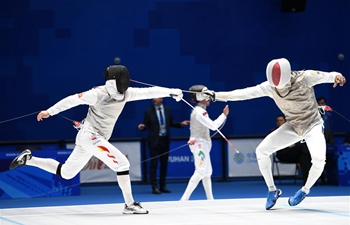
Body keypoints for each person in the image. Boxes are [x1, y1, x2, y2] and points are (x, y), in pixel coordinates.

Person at [9, 65, 184, 214]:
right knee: (122, 164)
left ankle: (29, 159)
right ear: (115, 80)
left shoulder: (126, 94)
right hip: (90, 136)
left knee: (67, 173)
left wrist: (171, 92)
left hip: (90, 139)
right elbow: (72, 100)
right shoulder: (97, 93)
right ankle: (129, 204)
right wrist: (50, 111)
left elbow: (150, 91)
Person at [202, 58, 346, 209]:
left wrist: (338, 76)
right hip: (292, 125)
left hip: (313, 125)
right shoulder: (269, 87)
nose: (280, 89)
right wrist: (215, 95)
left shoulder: (306, 77)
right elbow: (243, 94)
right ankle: (272, 190)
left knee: (318, 159)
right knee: (261, 151)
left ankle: (304, 190)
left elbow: (330, 75)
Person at [180, 85, 228, 201]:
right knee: (201, 171)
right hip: (199, 144)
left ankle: (210, 199)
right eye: (206, 96)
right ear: (199, 97)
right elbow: (213, 126)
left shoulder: (200, 111)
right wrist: (224, 115)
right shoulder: (199, 112)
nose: (208, 98)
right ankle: (183, 199)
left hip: (202, 143)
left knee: (207, 172)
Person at [138, 98, 190, 194]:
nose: (154, 99)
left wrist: (180, 124)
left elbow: (170, 123)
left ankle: (163, 186)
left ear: (161, 99)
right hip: (154, 141)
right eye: (153, 98)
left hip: (165, 140)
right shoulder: (148, 111)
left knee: (164, 164)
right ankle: (154, 187)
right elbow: (146, 124)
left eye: (156, 97)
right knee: (154, 164)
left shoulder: (167, 110)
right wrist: (143, 127)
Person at [274, 115, 311, 185]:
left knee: (303, 157)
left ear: (285, 122)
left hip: (292, 154)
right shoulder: (274, 132)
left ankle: (307, 182)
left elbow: (294, 144)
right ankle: (313, 158)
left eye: (281, 120)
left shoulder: (290, 131)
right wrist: (287, 145)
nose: (279, 122)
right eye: (278, 121)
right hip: (282, 154)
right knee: (302, 146)